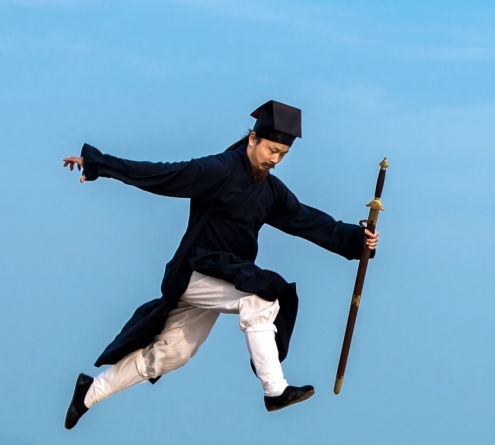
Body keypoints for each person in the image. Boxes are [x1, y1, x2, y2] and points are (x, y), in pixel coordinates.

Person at [60, 100, 377, 427]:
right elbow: (163, 174)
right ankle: (274, 389)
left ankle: (88, 393)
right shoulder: (219, 169)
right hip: (195, 272)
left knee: (172, 355)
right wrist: (98, 164)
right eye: (272, 150)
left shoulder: (270, 191)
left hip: (226, 279)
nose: (275, 160)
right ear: (253, 139)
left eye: (282, 154)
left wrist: (357, 239)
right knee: (261, 296)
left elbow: (308, 221)